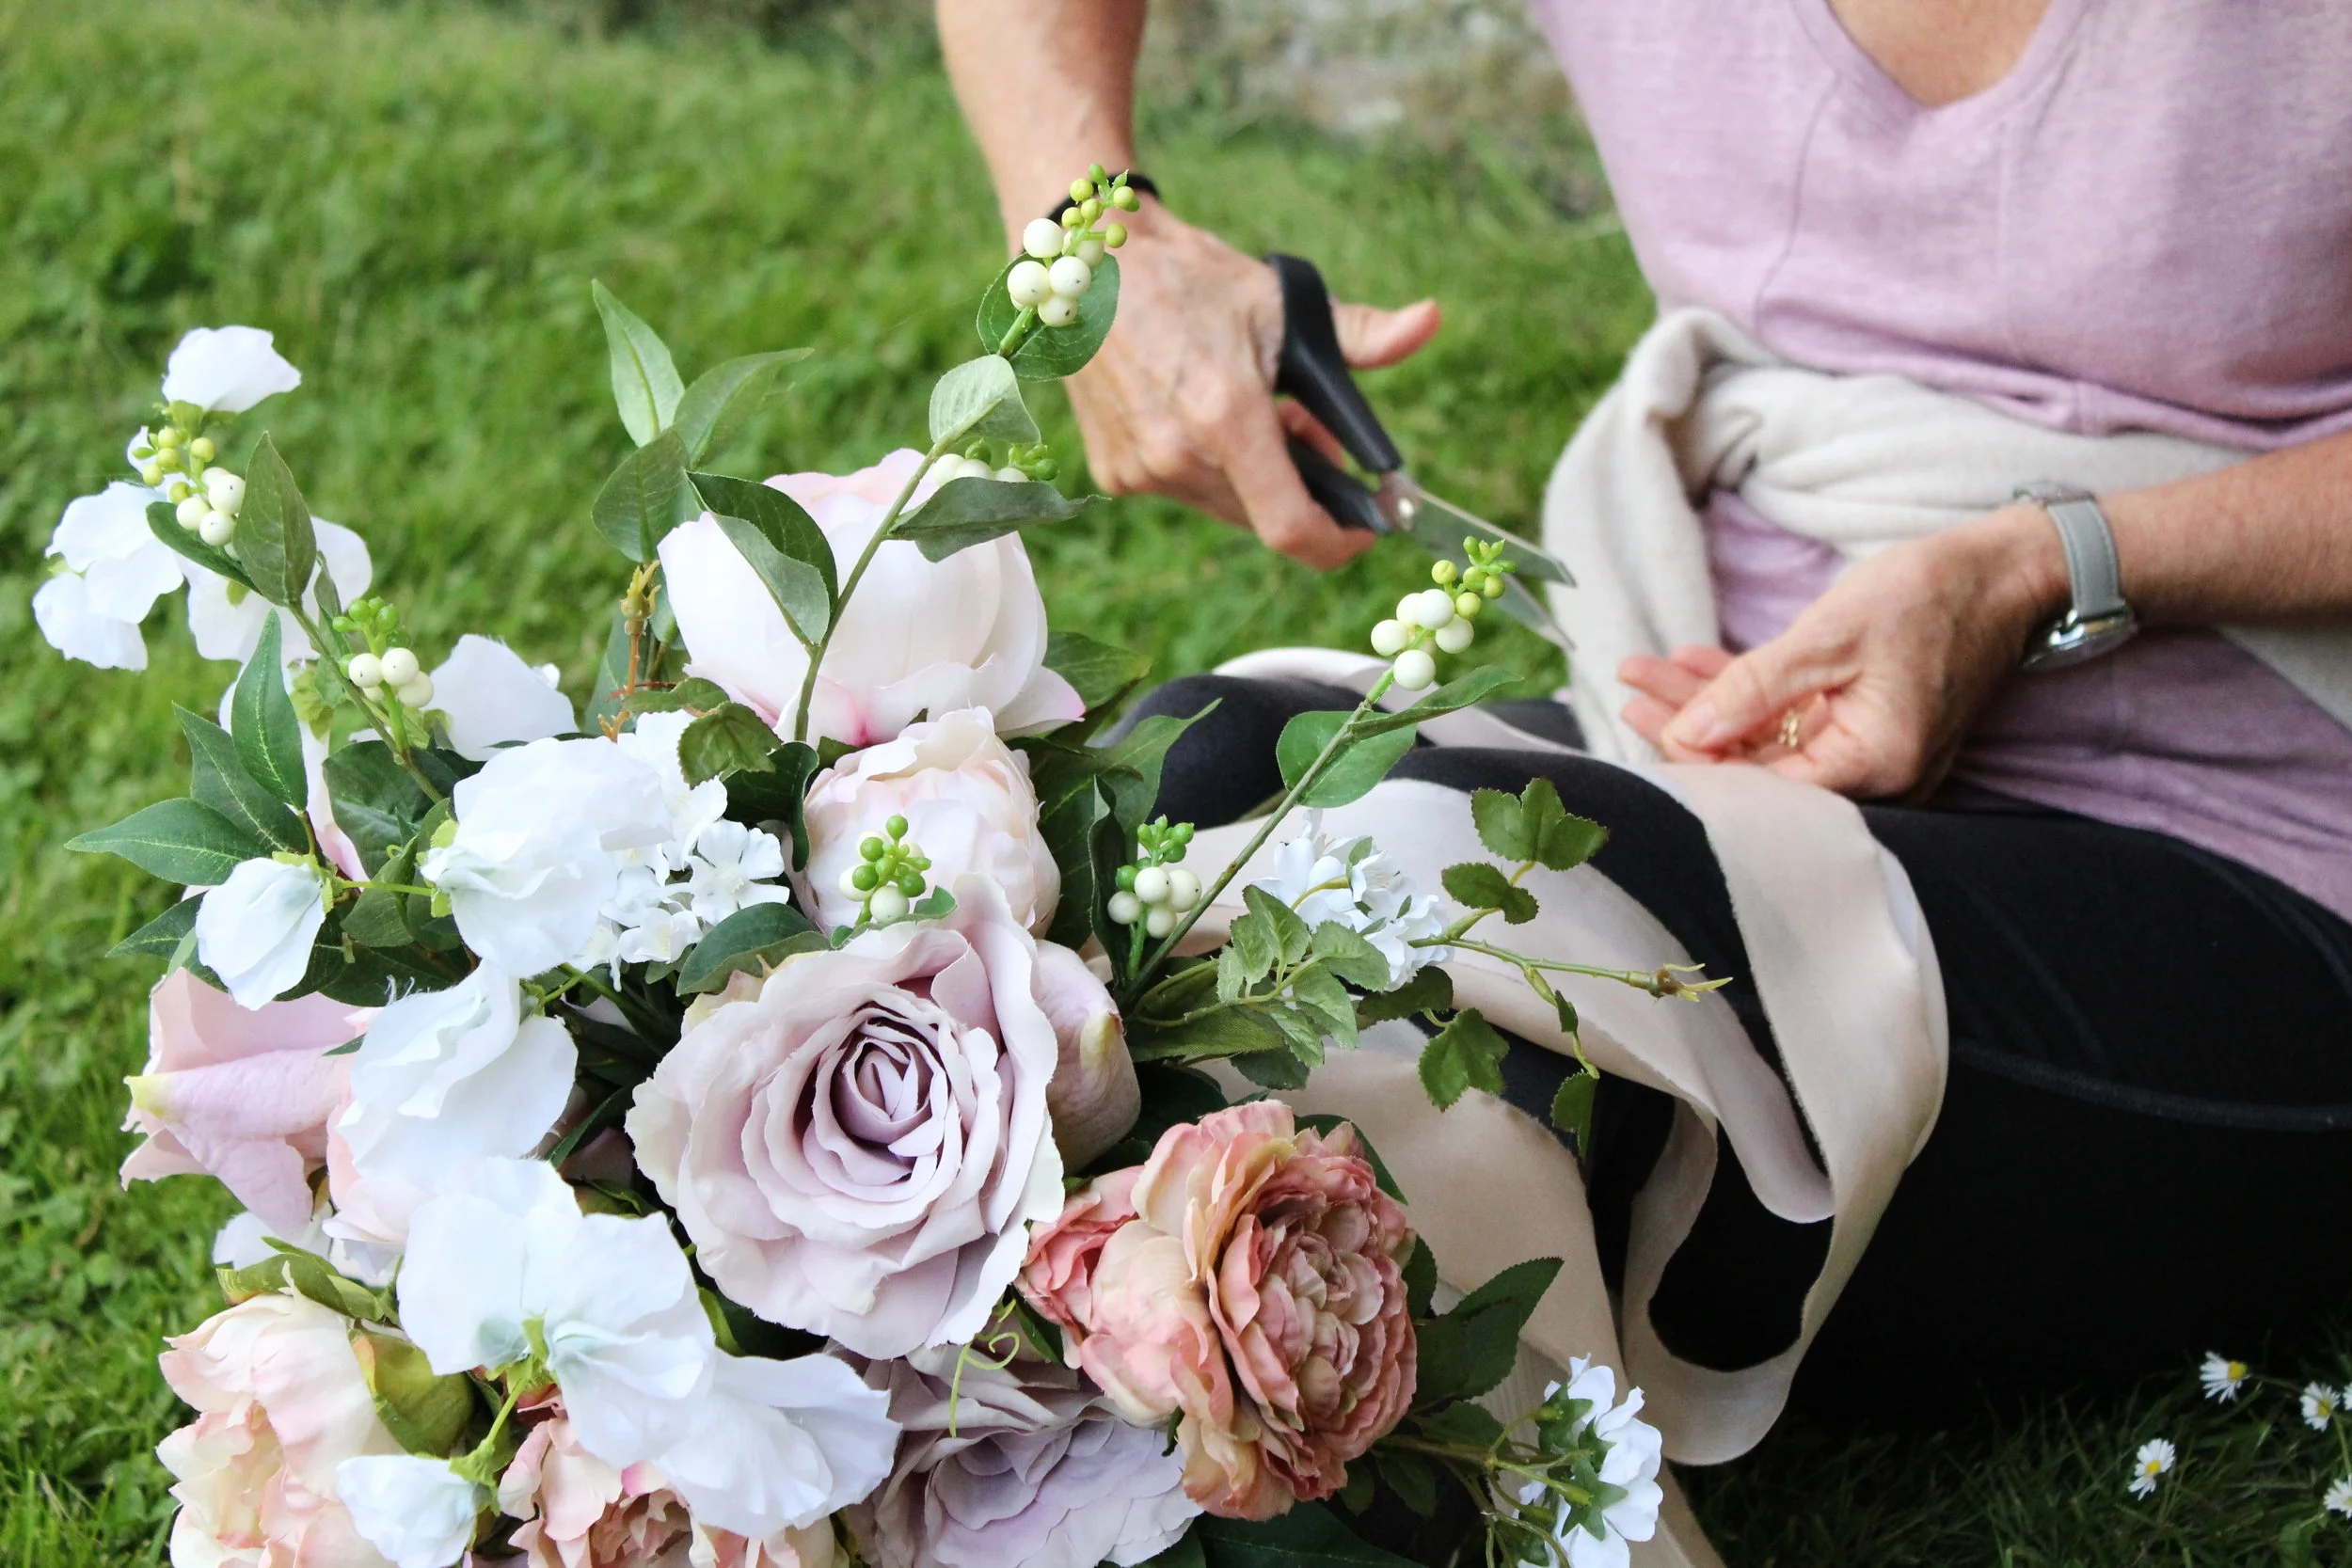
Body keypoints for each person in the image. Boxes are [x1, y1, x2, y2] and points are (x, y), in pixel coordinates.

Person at [939, 0, 2352, 1510]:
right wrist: (1101, 239)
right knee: (1177, 814)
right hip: (1727, 749)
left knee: (1409, 932)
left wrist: (2039, 566)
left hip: (2266, 843)